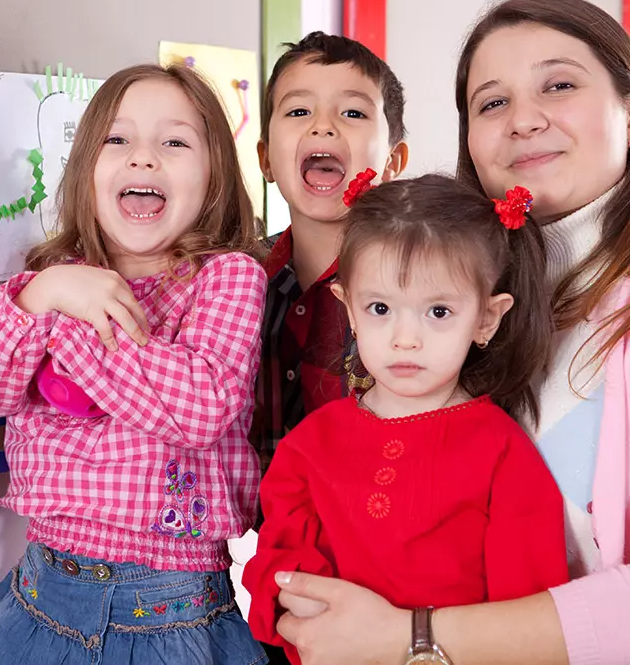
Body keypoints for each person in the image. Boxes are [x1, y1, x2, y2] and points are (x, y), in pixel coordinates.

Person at [269, 0, 630, 665]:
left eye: (559, 84)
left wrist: (411, 637)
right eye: (492, 102)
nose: (524, 120)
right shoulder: (466, 302)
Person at [0, 64, 269, 665]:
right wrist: (42, 296)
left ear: (215, 176)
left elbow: (199, 407)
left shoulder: (225, 278)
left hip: (171, 617)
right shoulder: (52, 281)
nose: (143, 158)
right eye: (117, 140)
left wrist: (74, 331)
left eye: (174, 142)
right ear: (87, 172)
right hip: (43, 601)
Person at [243, 173, 568, 664]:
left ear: (486, 318)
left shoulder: (502, 452)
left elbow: (528, 616)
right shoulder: (308, 446)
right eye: (380, 308)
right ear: (347, 309)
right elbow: (278, 563)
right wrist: (298, 596)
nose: (405, 338)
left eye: (437, 312)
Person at [254, 32, 408, 475]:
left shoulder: (416, 283)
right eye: (299, 111)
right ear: (266, 159)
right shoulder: (236, 279)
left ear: (393, 163)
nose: (323, 126)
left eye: (354, 112)